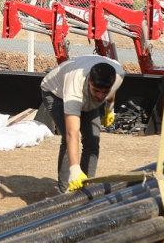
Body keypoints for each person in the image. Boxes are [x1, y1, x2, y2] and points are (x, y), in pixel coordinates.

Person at [40, 55, 124, 194]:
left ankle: (87, 187)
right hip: (56, 94)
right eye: (96, 90)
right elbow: (72, 133)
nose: (100, 96)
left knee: (92, 140)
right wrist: (74, 169)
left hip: (85, 94)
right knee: (69, 141)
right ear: (90, 81)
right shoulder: (74, 87)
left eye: (104, 92)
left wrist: (109, 108)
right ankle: (66, 190)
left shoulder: (119, 74)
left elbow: (112, 91)